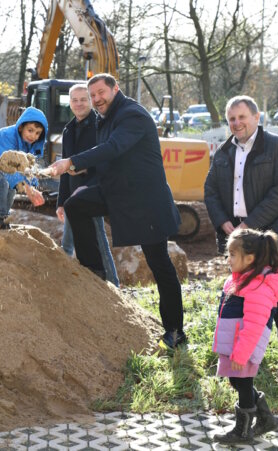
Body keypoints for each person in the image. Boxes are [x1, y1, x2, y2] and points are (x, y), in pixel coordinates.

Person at [48, 73, 185, 348]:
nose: (97, 99)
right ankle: (95, 269)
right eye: (93, 95)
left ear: (115, 89)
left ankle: (175, 331)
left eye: (101, 93)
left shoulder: (132, 115)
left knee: (159, 264)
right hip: (117, 190)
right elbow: (111, 157)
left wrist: (71, 160)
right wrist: (82, 167)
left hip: (146, 199)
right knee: (76, 204)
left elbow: (114, 147)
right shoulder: (104, 118)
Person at [204, 95, 278, 371]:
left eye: (242, 117)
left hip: (267, 234)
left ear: (257, 118)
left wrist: (249, 226)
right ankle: (238, 352)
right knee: (239, 291)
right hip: (234, 232)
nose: (237, 123)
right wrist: (223, 222)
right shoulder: (223, 152)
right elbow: (209, 191)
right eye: (232, 119)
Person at [212, 228, 278, 444]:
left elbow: (254, 325)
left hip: (244, 346)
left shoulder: (259, 286)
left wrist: (241, 354)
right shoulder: (241, 279)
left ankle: (242, 432)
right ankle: (265, 419)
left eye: (233, 254)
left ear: (250, 258)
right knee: (236, 381)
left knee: (243, 384)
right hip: (236, 344)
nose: (228, 259)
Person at [57, 84, 118, 285]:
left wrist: (88, 181)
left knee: (98, 240)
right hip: (74, 196)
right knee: (68, 242)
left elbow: (105, 161)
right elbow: (65, 169)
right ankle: (68, 283)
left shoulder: (99, 126)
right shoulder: (68, 130)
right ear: (70, 103)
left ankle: (112, 285)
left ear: (90, 101)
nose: (79, 103)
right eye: (74, 100)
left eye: (83, 99)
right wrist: (61, 201)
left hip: (92, 193)